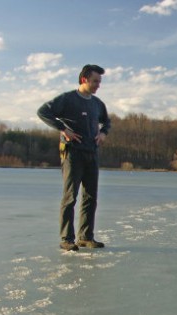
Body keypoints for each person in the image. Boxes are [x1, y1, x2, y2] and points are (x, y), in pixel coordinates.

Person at [37, 64, 111, 251]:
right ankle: (67, 239)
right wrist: (63, 129)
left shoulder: (97, 103)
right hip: (72, 153)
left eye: (99, 82)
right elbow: (43, 112)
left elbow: (107, 122)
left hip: (91, 153)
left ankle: (85, 237)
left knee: (91, 197)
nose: (98, 85)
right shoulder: (67, 99)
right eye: (95, 81)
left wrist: (103, 133)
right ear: (84, 79)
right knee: (70, 197)